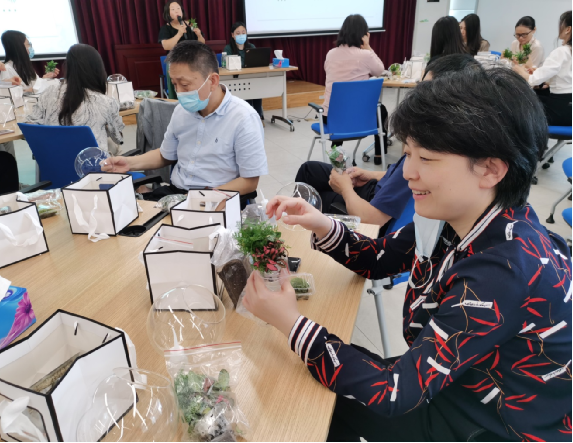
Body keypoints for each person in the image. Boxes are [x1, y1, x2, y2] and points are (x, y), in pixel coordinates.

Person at [244, 67, 572, 442]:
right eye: (407, 154)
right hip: (461, 381)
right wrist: (321, 223)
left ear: (491, 169)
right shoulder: (460, 216)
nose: (408, 172)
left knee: (314, 394)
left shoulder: (505, 271)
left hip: (490, 422)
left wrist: (289, 322)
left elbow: (395, 391)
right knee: (315, 376)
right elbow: (379, 259)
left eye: (426, 158)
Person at [296, 54, 482, 232]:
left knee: (313, 197)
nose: (420, 97)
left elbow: (371, 219)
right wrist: (370, 174)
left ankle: (297, 229)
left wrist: (345, 188)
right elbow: (400, 179)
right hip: (379, 189)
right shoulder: (436, 150)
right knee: (310, 170)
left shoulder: (425, 157)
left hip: (371, 210)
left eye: (426, 90)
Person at [102, 41, 267, 201]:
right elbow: (165, 155)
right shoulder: (181, 111)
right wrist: (128, 163)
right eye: (174, 84)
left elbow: (250, 181)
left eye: (185, 84)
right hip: (177, 194)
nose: (179, 92)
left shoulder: (243, 118)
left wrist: (202, 198)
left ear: (213, 81)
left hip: (218, 198)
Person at [26, 44, 124, 154]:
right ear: (98, 69)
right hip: (91, 163)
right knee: (115, 147)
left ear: (67, 67)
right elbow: (118, 138)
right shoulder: (107, 102)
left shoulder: (48, 92)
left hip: (54, 160)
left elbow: (31, 126)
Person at [322, 14, 386, 165]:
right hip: (360, 118)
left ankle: (336, 155)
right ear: (363, 34)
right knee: (381, 110)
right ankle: (379, 155)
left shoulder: (331, 54)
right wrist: (368, 47)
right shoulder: (365, 55)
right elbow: (379, 70)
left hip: (332, 118)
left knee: (340, 108)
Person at [514, 11, 572, 127]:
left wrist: (519, 70)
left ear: (568, 29)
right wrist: (540, 75)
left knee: (516, 104)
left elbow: (533, 80)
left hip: (561, 110)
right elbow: (564, 78)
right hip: (567, 107)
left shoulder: (561, 51)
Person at [159, 1, 205, 99]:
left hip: (193, 62)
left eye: (178, 8)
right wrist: (179, 33)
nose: (177, 11)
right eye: (173, 9)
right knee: (180, 91)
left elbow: (202, 44)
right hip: (176, 63)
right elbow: (166, 46)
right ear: (168, 13)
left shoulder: (191, 24)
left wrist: (199, 35)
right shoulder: (166, 28)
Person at [223, 22, 264, 122]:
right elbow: (228, 65)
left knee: (257, 90)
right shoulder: (228, 48)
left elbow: (256, 63)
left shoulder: (251, 46)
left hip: (252, 78)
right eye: (238, 33)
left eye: (243, 32)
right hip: (236, 79)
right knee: (247, 95)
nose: (241, 35)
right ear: (233, 35)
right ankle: (247, 117)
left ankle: (258, 116)